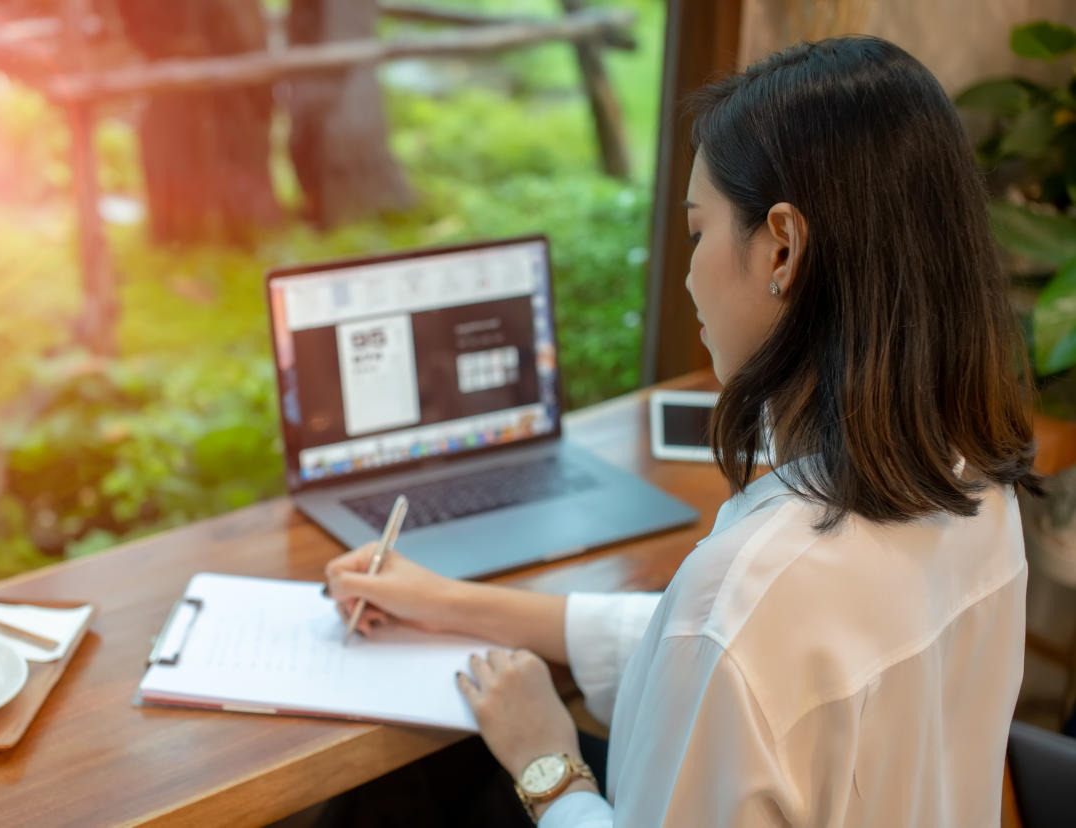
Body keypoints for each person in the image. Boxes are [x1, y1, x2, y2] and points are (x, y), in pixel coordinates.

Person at [325, 35, 1040, 827]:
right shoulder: (979, 481)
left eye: (698, 231)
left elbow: (726, 647)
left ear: (783, 248)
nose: (691, 271)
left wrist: (546, 762)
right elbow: (719, 660)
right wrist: (454, 603)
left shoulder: (753, 590)